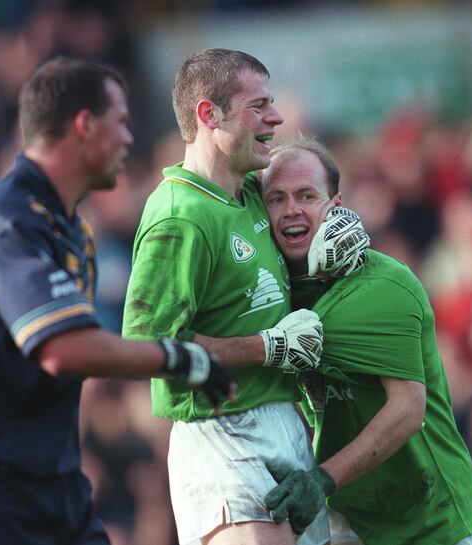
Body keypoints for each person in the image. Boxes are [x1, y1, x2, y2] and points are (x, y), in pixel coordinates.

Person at [0, 56, 232, 545]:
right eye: (120, 122)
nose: (128, 137)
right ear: (84, 125)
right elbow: (63, 349)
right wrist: (180, 358)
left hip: (56, 485)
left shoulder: (73, 230)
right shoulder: (4, 217)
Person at [121, 49, 330, 545]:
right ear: (208, 115)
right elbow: (146, 346)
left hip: (285, 421)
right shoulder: (180, 215)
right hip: (221, 431)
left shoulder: (254, 191)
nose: (275, 117)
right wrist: (267, 347)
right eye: (259, 106)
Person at [259, 135, 472, 545]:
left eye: (306, 195)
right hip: (353, 521)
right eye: (276, 199)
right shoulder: (279, 297)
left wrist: (322, 480)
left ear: (336, 206)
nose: (291, 209)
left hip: (429, 525)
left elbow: (407, 410)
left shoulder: (385, 285)